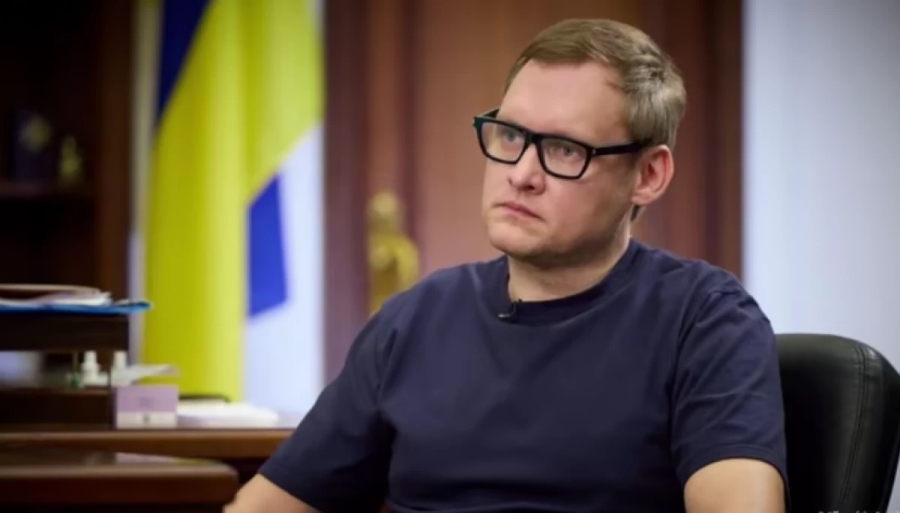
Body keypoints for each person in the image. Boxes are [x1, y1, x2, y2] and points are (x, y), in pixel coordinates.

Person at [225, 18, 788, 513]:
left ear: (648, 176)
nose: (521, 174)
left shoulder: (706, 321)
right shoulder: (415, 319)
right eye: (512, 135)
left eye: (564, 149)